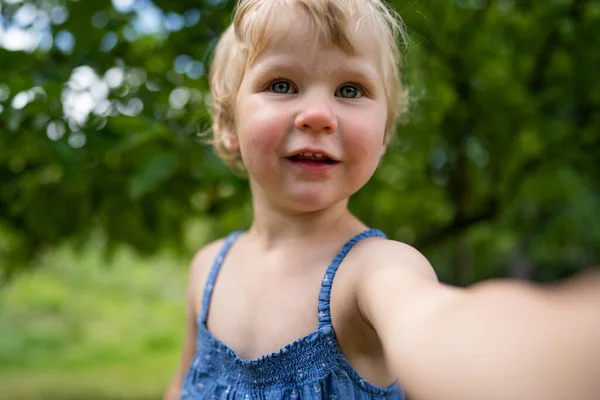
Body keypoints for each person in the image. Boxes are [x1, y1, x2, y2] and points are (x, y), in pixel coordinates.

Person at [164, 0, 600, 399]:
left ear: (385, 132)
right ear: (227, 123)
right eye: (281, 84)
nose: (318, 115)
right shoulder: (207, 270)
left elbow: (444, 329)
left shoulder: (373, 273)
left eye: (351, 90)